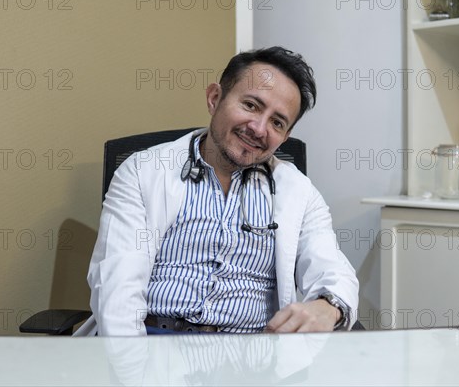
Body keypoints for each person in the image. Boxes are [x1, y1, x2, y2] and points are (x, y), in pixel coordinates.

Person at [75, 46, 359, 336]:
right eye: (251, 105)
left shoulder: (300, 192)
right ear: (215, 98)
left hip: (252, 356)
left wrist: (329, 305)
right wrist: (136, 372)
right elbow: (117, 291)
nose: (259, 128)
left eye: (277, 122)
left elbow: (332, 269)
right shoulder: (142, 171)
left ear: (285, 137)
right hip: (155, 343)